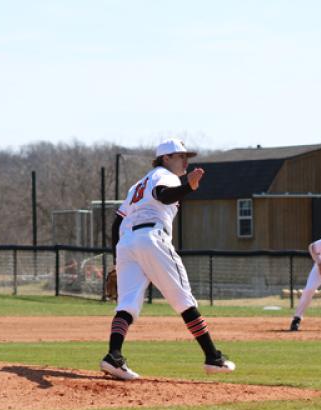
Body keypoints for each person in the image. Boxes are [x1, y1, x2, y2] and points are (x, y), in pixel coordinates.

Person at [100, 138, 236, 380]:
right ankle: (213, 358)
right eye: (180, 155)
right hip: (152, 237)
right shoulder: (165, 176)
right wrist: (189, 187)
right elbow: (163, 195)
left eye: (186, 156)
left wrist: (115, 260)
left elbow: (117, 222)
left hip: (127, 243)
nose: (185, 160)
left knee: (127, 303)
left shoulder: (136, 186)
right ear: (165, 158)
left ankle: (113, 356)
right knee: (183, 298)